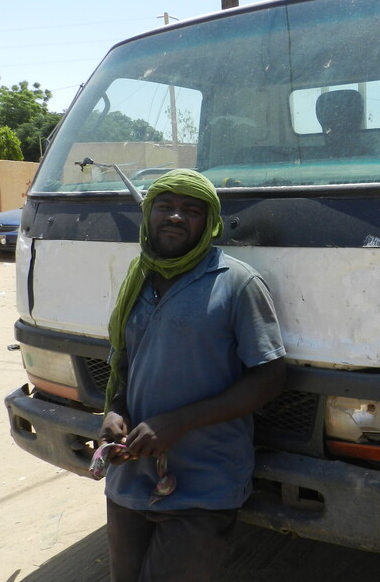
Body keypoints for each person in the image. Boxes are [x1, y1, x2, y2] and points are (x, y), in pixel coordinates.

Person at [98, 169, 286, 582]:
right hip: (130, 478)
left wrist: (177, 423)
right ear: (148, 216)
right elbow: (124, 361)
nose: (176, 218)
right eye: (164, 207)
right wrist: (114, 409)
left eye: (191, 210)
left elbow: (269, 376)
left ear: (209, 223)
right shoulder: (136, 277)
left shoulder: (236, 283)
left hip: (204, 484)